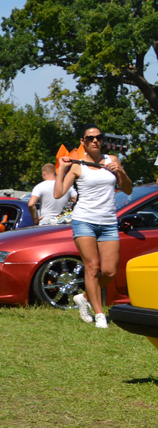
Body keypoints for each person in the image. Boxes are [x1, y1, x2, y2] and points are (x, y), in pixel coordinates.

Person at [55, 125, 133, 328]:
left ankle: (84, 297)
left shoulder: (112, 160)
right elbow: (58, 193)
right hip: (84, 220)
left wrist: (121, 172)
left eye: (98, 137)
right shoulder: (77, 165)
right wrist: (61, 170)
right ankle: (99, 315)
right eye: (90, 138)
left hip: (108, 222)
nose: (95, 141)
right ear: (83, 141)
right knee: (92, 267)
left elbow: (128, 189)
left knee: (110, 271)